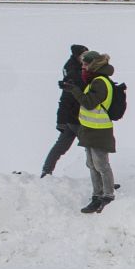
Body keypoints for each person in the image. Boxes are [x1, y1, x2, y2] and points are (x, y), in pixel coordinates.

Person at [75, 51, 118, 213]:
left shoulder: (100, 81)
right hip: (90, 128)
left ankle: (107, 195)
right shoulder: (93, 80)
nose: (83, 67)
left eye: (85, 64)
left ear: (93, 64)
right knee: (92, 164)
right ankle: (97, 195)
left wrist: (74, 90)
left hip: (100, 130)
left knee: (101, 164)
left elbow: (89, 103)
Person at [41, 45, 86, 178]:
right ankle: (102, 180)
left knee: (61, 147)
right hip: (76, 119)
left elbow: (64, 100)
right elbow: (65, 99)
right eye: (83, 56)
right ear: (77, 56)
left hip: (71, 119)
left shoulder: (73, 71)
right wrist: (60, 121)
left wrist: (61, 121)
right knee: (93, 149)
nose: (85, 59)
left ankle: (46, 171)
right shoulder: (74, 72)